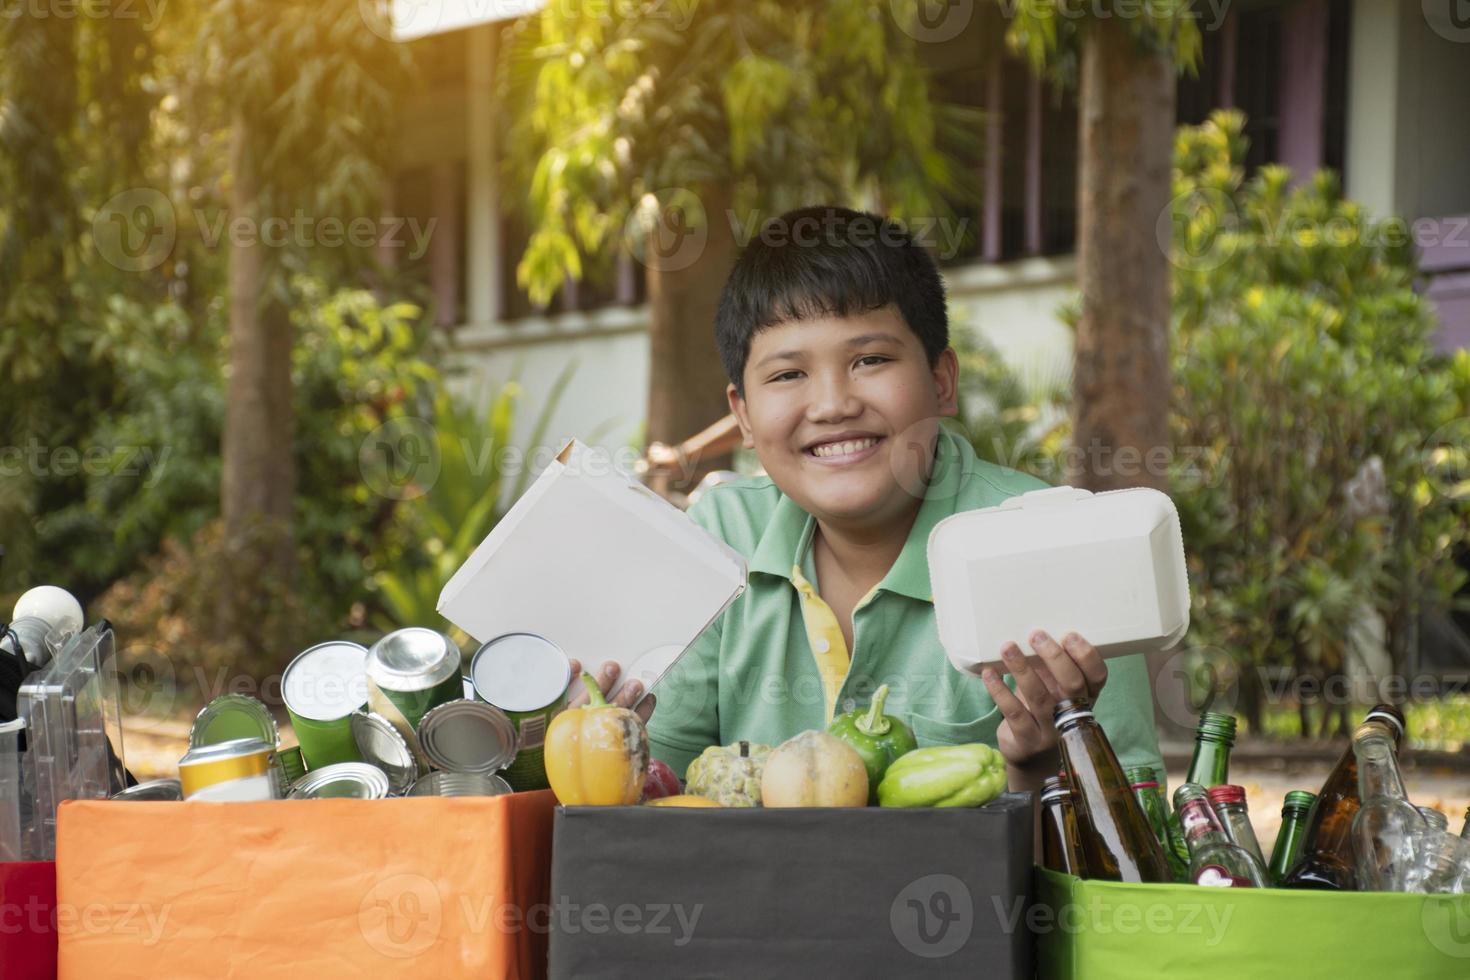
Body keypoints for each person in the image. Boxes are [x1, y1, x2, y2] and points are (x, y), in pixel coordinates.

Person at [570, 205, 1164, 799]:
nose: (832, 404)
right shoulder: (719, 537)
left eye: (870, 361)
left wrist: (1034, 773)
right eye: (786, 375)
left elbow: (1132, 856)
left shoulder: (1058, 548)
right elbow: (656, 793)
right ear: (743, 416)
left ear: (942, 381)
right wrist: (582, 732)